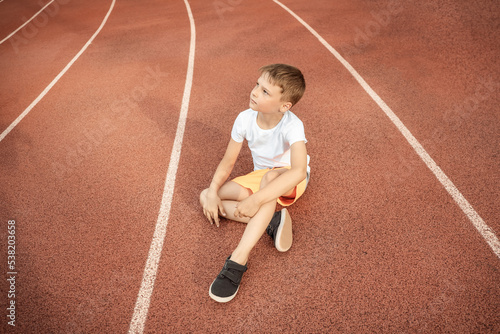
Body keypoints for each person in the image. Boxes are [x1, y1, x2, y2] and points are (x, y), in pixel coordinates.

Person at [199, 63, 310, 303]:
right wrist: (212, 192)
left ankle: (238, 259)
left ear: (284, 106)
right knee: (207, 195)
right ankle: (270, 222)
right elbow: (228, 162)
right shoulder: (244, 119)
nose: (255, 92)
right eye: (257, 85)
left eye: (265, 92)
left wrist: (255, 200)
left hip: (288, 178)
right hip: (260, 176)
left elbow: (299, 171)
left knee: (268, 182)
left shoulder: (292, 125)